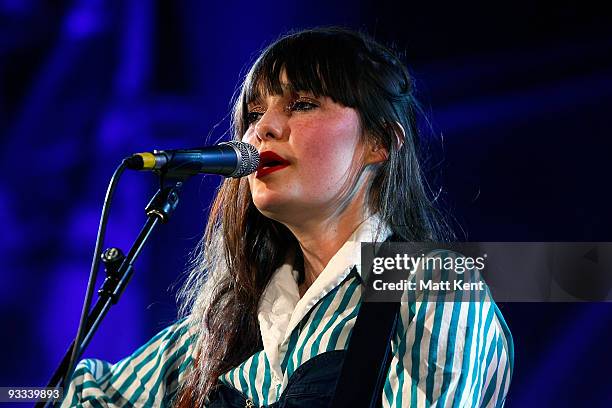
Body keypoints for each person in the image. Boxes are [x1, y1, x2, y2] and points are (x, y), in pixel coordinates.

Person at [62, 27, 513, 407]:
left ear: (379, 143)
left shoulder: (434, 285)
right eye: (255, 113)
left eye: (302, 104)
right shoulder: (225, 324)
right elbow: (77, 393)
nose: (263, 130)